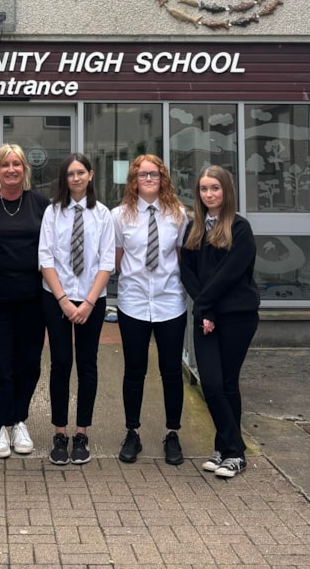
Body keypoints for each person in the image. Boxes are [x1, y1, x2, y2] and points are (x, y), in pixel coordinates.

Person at [179, 164, 260, 479]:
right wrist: (205, 311)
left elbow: (229, 275)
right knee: (211, 384)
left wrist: (206, 307)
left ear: (226, 191)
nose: (209, 194)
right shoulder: (194, 229)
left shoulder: (240, 229)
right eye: (203, 189)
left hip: (237, 317)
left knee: (227, 383)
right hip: (207, 317)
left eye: (214, 188)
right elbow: (187, 271)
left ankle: (231, 452)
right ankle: (230, 446)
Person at [38, 153, 115, 466]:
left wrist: (88, 302)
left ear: (91, 175)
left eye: (81, 172)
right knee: (60, 363)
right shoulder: (53, 213)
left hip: (91, 300)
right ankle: (60, 432)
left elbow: (107, 261)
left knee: (87, 364)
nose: (76, 178)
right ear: (64, 179)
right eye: (70, 173)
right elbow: (45, 259)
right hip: (56, 298)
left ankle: (82, 433)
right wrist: (64, 301)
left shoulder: (103, 214)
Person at [112, 155, 189, 466]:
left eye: (154, 175)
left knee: (171, 372)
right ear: (133, 179)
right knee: (134, 371)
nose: (148, 179)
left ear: (163, 178)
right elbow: (115, 260)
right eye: (142, 174)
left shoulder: (179, 215)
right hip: (133, 303)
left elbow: (183, 259)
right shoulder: (120, 216)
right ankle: (132, 431)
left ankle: (172, 433)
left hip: (171, 302)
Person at [0, 143, 50, 459]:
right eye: (5, 165)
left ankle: (18, 419)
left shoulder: (41, 204)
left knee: (28, 365)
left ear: (25, 169)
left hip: (33, 301)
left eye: (17, 164)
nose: (11, 170)